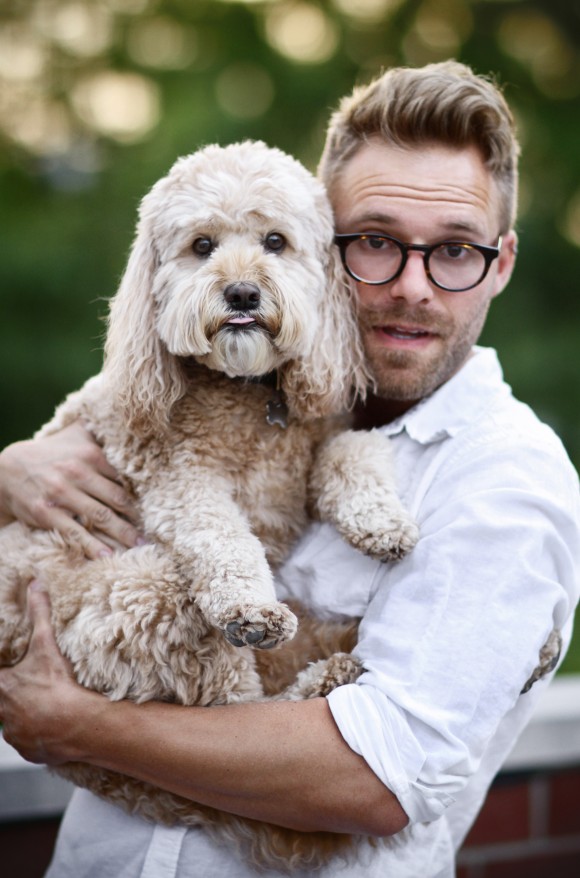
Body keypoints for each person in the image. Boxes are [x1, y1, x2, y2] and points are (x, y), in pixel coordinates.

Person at [0, 60, 579, 878]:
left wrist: (73, 724)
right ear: (323, 242)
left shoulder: (506, 483)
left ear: (503, 262)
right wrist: (13, 467)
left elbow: (374, 775)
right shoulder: (227, 394)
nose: (413, 288)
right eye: (375, 241)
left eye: (454, 251)